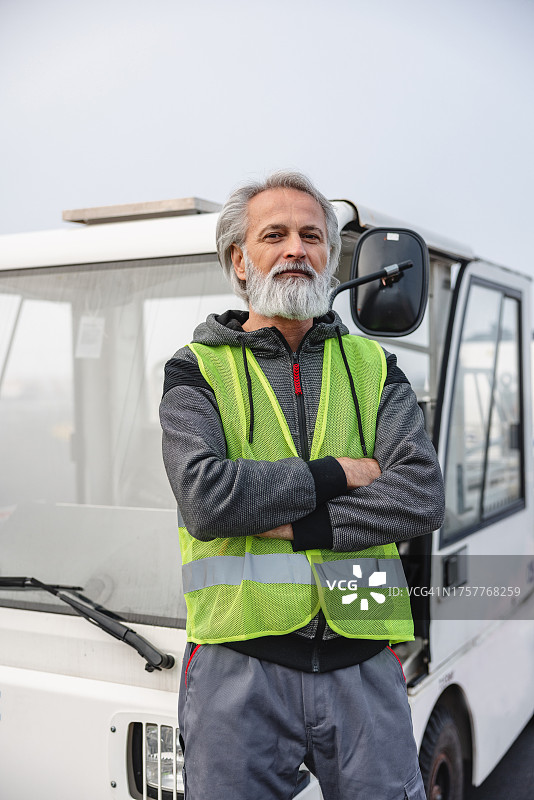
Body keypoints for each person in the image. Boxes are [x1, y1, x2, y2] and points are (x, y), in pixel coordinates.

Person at [160, 170, 445, 800]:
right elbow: (207, 499)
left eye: (312, 236)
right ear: (240, 261)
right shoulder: (196, 368)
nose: (296, 249)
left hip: (363, 658)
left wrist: (298, 522)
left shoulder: (375, 367)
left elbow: (420, 495)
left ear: (330, 257)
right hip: (239, 665)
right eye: (276, 234)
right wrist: (339, 473)